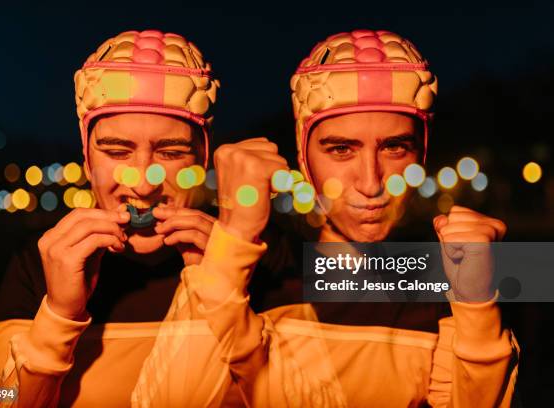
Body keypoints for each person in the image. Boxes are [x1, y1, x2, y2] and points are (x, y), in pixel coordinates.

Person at [175, 29, 519, 407]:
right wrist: (233, 239)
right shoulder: (257, 275)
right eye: (341, 149)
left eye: (395, 147)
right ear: (305, 158)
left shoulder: (445, 282)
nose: (371, 182)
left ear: (421, 153)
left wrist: (478, 307)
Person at [0, 29, 224, 407]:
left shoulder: (260, 253)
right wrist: (57, 318)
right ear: (87, 158)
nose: (143, 182)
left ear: (201, 157)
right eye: (117, 151)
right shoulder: (41, 262)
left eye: (170, 153)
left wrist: (228, 293)